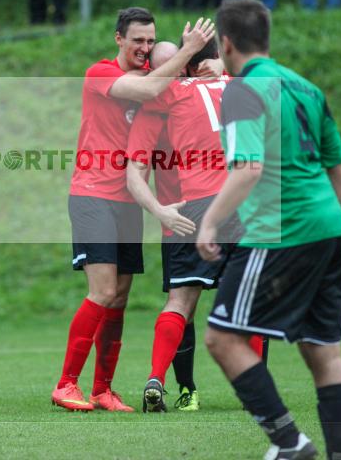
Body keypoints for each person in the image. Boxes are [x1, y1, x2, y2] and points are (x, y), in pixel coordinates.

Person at [197, 0, 341, 459]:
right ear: (265, 38)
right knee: (324, 351)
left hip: (280, 229)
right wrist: (327, 222)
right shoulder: (306, 87)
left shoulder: (243, 90)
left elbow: (247, 168)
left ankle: (289, 443)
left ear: (225, 44)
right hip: (330, 227)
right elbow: (340, 168)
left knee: (222, 337)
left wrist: (209, 222)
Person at [52, 8, 214, 413]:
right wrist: (190, 53)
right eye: (137, 40)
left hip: (129, 202)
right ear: (118, 39)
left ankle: (103, 389)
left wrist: (210, 67)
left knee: (120, 298)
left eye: (149, 40)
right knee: (103, 290)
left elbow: (178, 86)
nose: (143, 48)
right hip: (93, 194)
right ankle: (66, 383)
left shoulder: (165, 85)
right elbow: (146, 89)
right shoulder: (100, 73)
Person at [127, 38, 263, 413]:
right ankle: (254, 391)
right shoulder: (238, 84)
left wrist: (158, 210)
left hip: (192, 206)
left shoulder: (160, 97)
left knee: (180, 301)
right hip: (244, 198)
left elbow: (134, 170)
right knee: (248, 301)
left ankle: (162, 380)